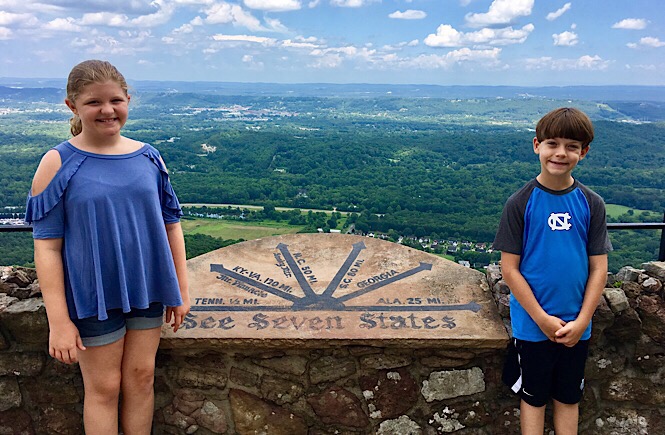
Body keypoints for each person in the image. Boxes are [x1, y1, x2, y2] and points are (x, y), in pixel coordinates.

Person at [25, 59, 190, 434]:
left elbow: (171, 225)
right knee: (103, 388)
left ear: (128, 100)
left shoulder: (149, 156)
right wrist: (59, 322)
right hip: (91, 294)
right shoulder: (57, 162)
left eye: (116, 100)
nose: (107, 110)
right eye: (94, 102)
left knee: (142, 377)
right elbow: (47, 248)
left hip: (148, 289)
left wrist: (180, 289)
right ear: (73, 107)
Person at [493, 107, 612, 434]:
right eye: (552, 143)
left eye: (572, 146)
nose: (561, 153)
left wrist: (582, 321)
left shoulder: (592, 203)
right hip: (532, 327)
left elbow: (599, 269)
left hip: (577, 324)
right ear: (537, 145)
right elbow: (510, 269)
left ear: (583, 152)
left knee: (569, 397)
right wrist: (542, 319)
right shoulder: (520, 202)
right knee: (533, 398)